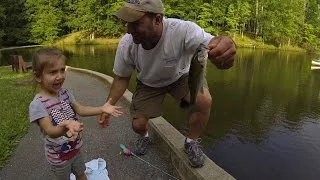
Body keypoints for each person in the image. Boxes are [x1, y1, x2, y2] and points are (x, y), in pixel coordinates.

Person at [99, 0, 236, 168]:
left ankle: (191, 142)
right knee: (138, 124)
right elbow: (121, 78)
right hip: (148, 83)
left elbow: (213, 43)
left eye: (135, 23)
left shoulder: (183, 30)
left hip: (182, 77)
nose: (129, 29)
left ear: (157, 19)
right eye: (127, 23)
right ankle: (144, 137)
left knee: (204, 101)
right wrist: (108, 104)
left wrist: (225, 48)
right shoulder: (127, 44)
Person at [29, 48, 123, 180]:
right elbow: (50, 130)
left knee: (81, 174)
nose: (60, 76)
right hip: (58, 157)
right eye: (52, 72)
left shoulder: (65, 93)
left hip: (75, 149)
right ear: (39, 76)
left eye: (62, 70)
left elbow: (80, 109)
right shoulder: (38, 104)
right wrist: (66, 126)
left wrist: (101, 109)